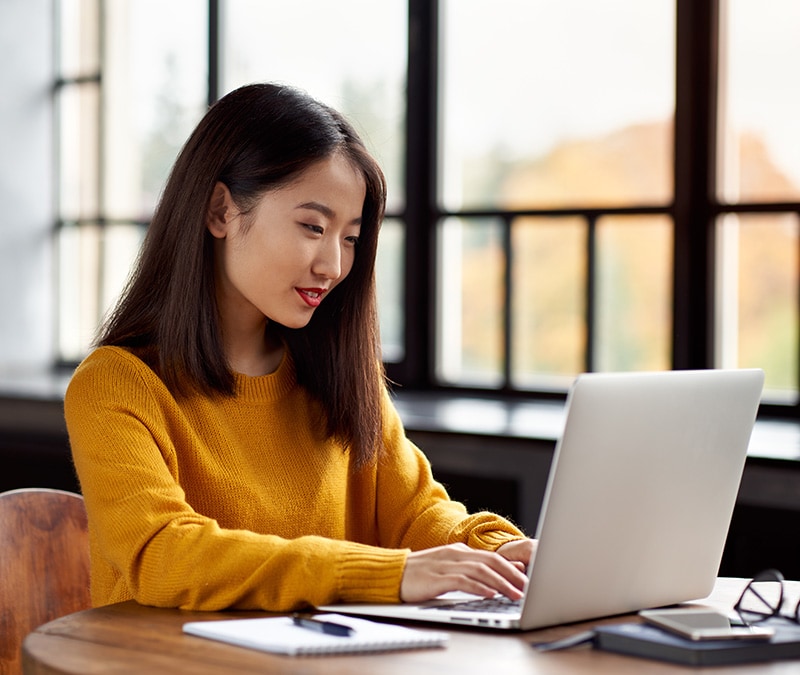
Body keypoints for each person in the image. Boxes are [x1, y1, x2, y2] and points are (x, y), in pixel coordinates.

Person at [65, 82, 535, 612]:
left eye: (351, 237)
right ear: (220, 211)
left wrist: (502, 553)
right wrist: (385, 573)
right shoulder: (115, 385)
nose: (332, 266)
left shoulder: (337, 377)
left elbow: (419, 516)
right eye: (313, 226)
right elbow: (163, 553)